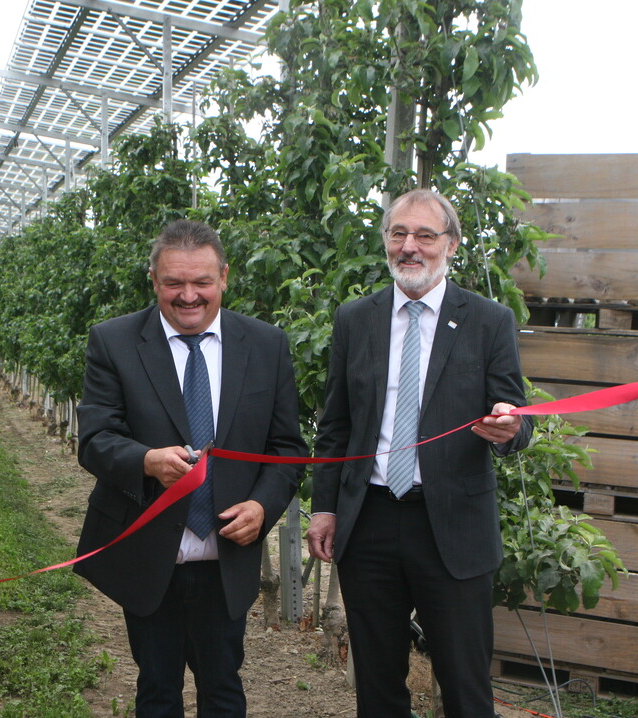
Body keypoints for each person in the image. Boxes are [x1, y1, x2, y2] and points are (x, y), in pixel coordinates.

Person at [305, 189, 533, 718]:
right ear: (386, 241)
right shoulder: (355, 318)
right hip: (371, 522)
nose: (410, 246)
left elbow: (517, 417)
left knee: (465, 687)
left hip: (453, 526)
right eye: (398, 234)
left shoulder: (488, 320)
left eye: (425, 235)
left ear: (451, 245)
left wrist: (509, 429)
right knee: (378, 687)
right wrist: (325, 507)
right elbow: (335, 426)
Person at [74, 219, 306, 717]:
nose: (188, 296)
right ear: (154, 281)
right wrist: (146, 461)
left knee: (223, 686)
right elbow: (94, 439)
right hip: (151, 552)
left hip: (227, 556)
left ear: (224, 277)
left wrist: (263, 507)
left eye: (201, 282)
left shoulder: (266, 345)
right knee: (157, 688)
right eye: (174, 283)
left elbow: (287, 447)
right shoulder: (114, 342)